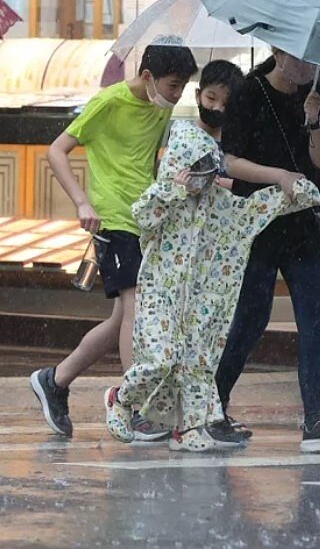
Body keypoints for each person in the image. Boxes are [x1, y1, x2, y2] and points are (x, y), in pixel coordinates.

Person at [102, 60, 320, 452]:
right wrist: (174, 189)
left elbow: (243, 215)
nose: (218, 108)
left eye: (225, 102)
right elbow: (144, 215)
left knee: (197, 358)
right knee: (162, 357)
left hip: (201, 289)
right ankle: (121, 398)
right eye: (211, 98)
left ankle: (189, 427)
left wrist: (291, 194)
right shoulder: (176, 166)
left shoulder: (220, 185)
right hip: (162, 284)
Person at [29, 37, 197, 439]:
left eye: (182, 88)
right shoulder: (109, 103)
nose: (175, 96)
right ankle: (135, 404)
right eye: (172, 86)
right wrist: (82, 203)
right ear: (147, 76)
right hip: (112, 220)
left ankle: (55, 380)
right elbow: (57, 150)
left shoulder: (159, 110)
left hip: (145, 222)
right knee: (136, 309)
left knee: (123, 318)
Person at [213, 48, 320, 453]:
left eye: (315, 61)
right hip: (257, 226)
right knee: (250, 319)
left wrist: (313, 121)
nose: (309, 68)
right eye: (302, 59)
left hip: (305, 227)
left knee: (314, 323)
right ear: (279, 52)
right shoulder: (248, 93)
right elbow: (231, 162)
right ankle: (212, 407)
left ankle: (315, 419)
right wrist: (277, 176)